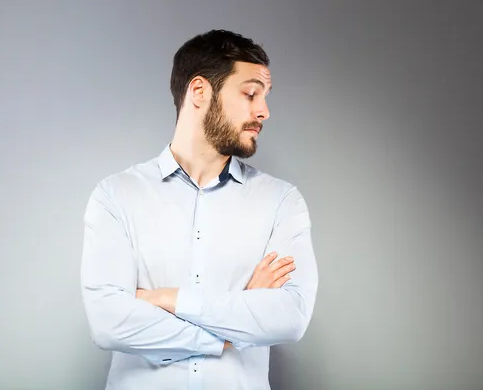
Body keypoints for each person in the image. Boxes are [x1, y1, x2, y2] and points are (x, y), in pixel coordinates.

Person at [80, 29, 319, 390]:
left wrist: (167, 299)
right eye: (251, 93)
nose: (264, 111)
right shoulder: (115, 197)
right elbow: (108, 323)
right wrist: (232, 328)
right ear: (199, 92)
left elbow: (291, 317)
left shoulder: (281, 202)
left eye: (265, 97)